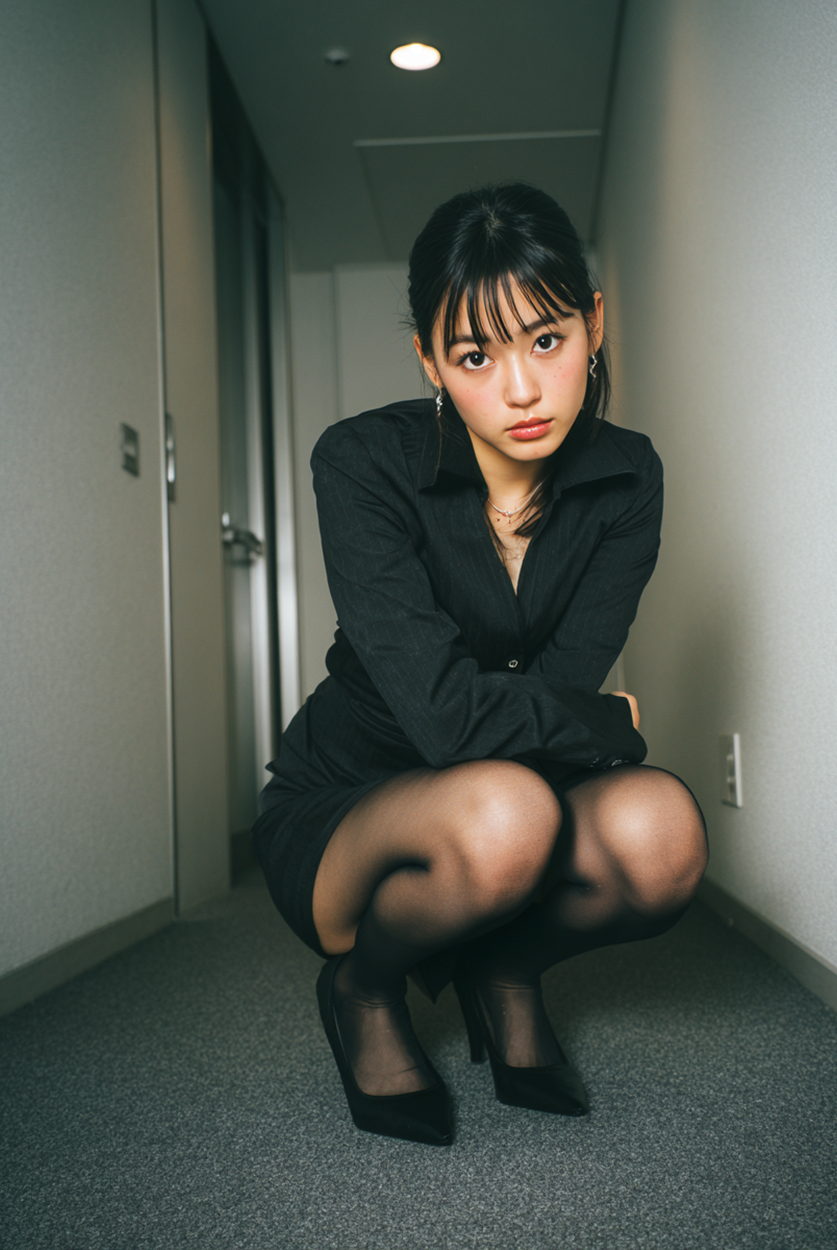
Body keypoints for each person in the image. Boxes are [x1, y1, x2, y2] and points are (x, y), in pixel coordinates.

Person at [252, 183, 708, 1147]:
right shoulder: (361, 464)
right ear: (430, 361)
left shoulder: (628, 477)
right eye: (475, 354)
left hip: (518, 790)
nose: (521, 389)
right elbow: (448, 724)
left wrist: (577, 719)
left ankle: (503, 966)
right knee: (506, 809)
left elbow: (564, 681)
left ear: (593, 321)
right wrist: (605, 726)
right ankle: (363, 986)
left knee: (663, 832)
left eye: (546, 339)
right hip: (349, 802)